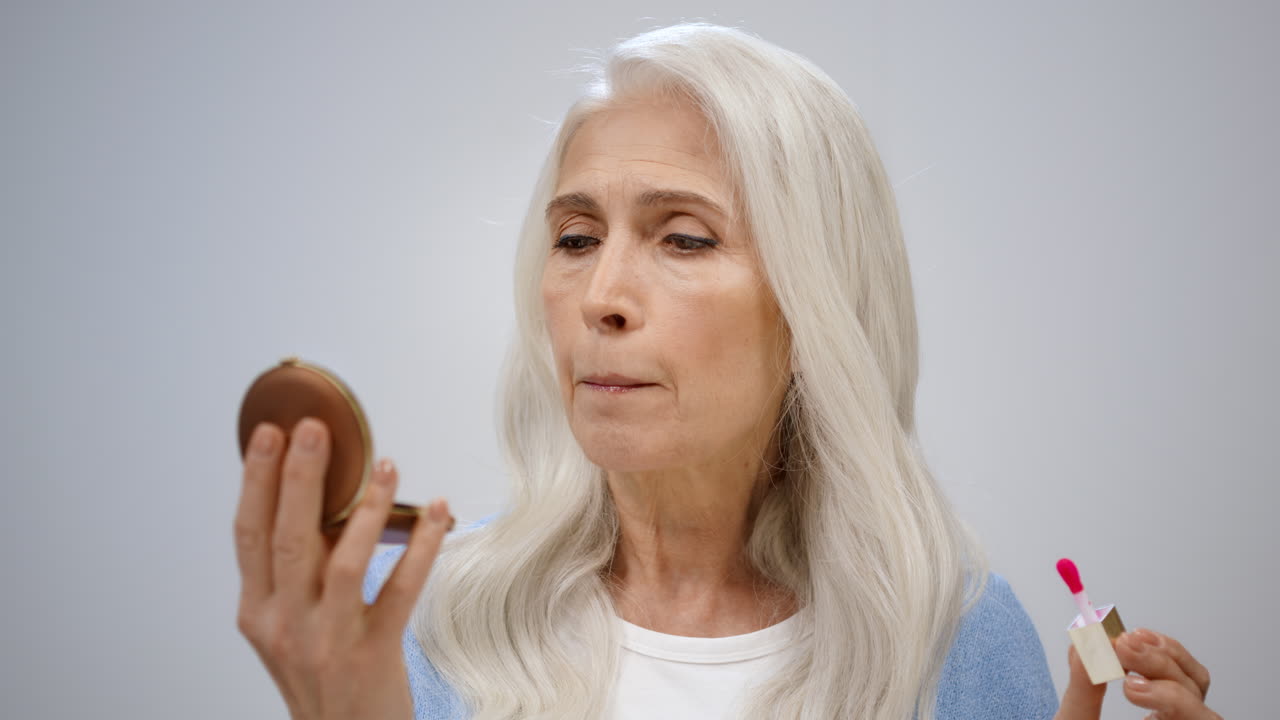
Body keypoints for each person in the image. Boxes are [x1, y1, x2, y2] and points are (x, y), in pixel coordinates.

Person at [233, 22, 1218, 720]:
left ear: (813, 307)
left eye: (685, 239)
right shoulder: (419, 619)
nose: (599, 295)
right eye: (575, 237)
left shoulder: (955, 641)